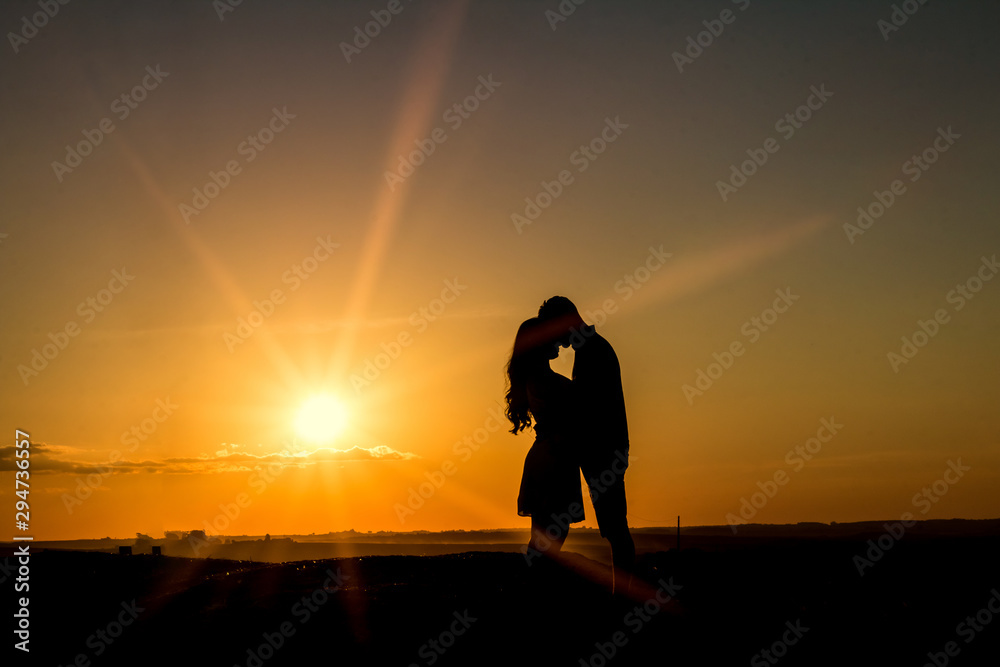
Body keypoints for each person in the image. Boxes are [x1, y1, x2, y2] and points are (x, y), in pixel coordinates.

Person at [537, 296, 635, 596]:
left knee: (615, 529)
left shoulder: (593, 352)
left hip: (604, 453)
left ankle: (624, 597)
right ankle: (624, 597)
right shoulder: (591, 349)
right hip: (604, 452)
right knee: (614, 528)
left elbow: (589, 409)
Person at [505, 317, 585, 562]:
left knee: (549, 536)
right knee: (551, 536)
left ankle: (534, 581)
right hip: (552, 461)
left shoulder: (539, 379)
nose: (557, 342)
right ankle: (534, 582)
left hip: (553, 458)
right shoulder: (542, 381)